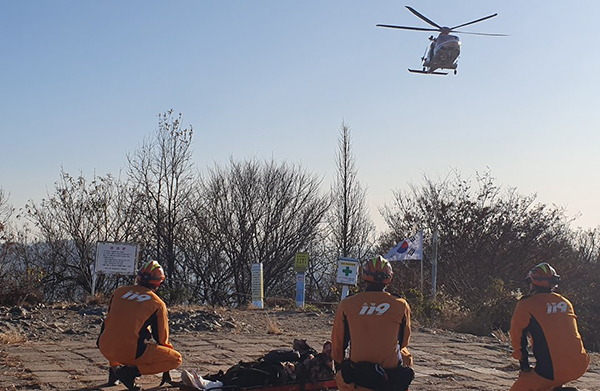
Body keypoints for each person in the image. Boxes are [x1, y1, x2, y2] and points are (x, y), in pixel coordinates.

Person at [331, 255, 414, 391]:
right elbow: (404, 341)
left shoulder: (347, 304)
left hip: (358, 377)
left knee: (341, 377)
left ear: (364, 276)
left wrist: (341, 367)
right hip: (391, 378)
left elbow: (338, 343)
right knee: (406, 356)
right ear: (389, 278)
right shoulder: (401, 305)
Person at [97, 260, 182, 391]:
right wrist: (167, 358)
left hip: (104, 346)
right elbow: (161, 340)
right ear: (159, 281)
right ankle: (129, 373)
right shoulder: (157, 304)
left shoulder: (119, 292)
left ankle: (114, 371)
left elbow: (113, 321)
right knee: (176, 359)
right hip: (128, 352)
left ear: (139, 277)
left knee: (117, 333)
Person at [509, 262, 590, 391]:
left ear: (532, 282)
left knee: (522, 387)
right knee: (549, 381)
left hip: (552, 371)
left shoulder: (526, 304)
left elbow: (517, 337)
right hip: (580, 364)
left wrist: (524, 367)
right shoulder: (565, 302)